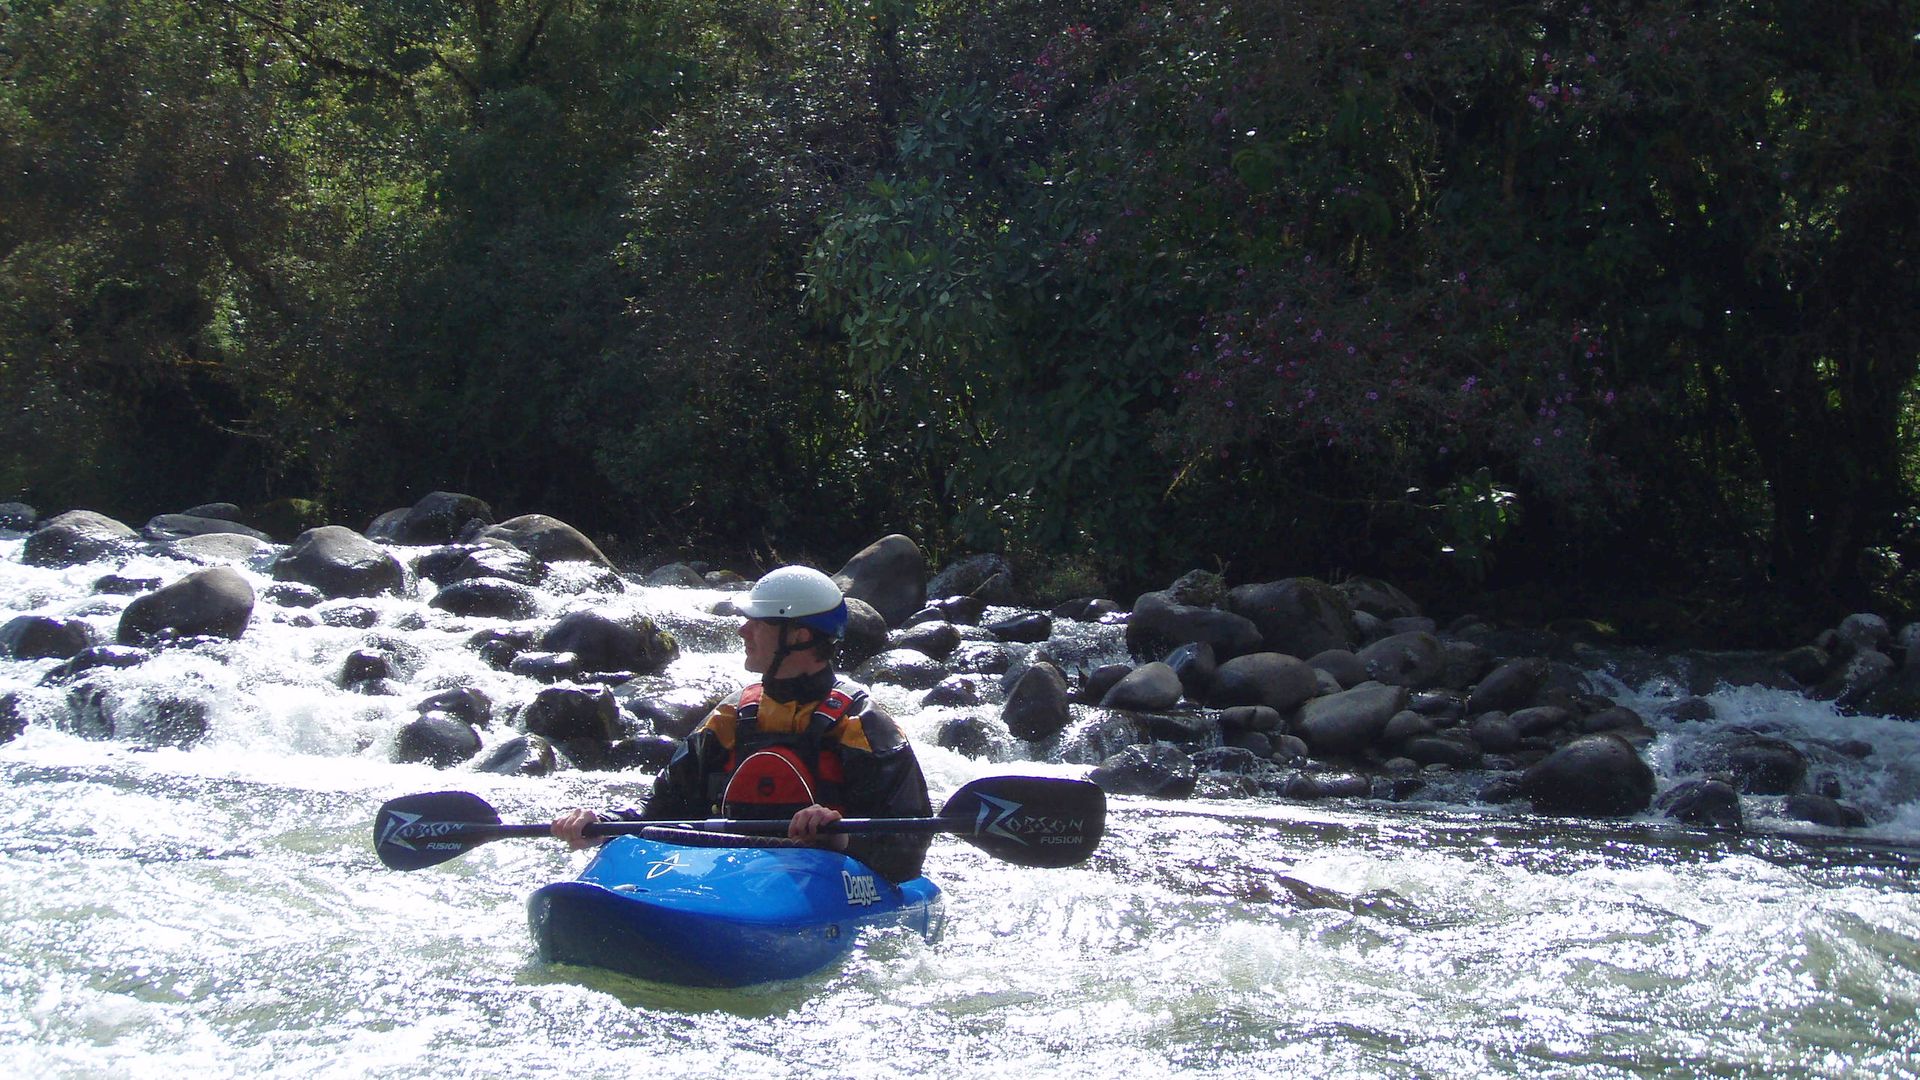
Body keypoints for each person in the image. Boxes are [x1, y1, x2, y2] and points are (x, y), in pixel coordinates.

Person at [551, 565, 933, 882]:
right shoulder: (731, 717)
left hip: (827, 883)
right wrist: (604, 822)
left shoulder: (861, 726)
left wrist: (841, 838)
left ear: (798, 635)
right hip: (732, 878)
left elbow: (907, 850)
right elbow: (662, 810)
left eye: (757, 622)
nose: (741, 631)